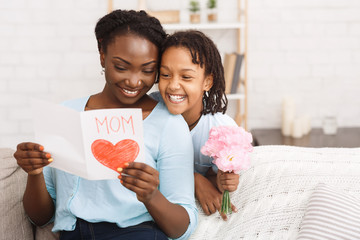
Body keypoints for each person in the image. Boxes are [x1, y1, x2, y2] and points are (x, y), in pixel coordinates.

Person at [13, 10, 197, 240]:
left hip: (138, 234)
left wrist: (151, 196)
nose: (134, 81)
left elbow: (182, 227)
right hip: (74, 234)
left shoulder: (168, 124)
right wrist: (35, 173)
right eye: (121, 67)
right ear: (102, 54)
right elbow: (40, 218)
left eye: (148, 70)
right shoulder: (66, 114)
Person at [151, 30, 239, 220]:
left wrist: (225, 180)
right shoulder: (148, 113)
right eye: (165, 75)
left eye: (186, 77)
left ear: (207, 82)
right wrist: (195, 179)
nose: (173, 85)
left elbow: (220, 175)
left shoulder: (221, 129)